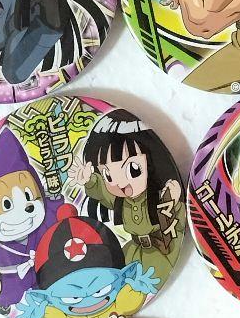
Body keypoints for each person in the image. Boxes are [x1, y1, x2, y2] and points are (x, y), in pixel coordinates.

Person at [70, 109, 182, 281]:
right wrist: (90, 180)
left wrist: (173, 199)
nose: (120, 184)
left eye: (133, 169)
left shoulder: (158, 195)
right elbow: (103, 193)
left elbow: (175, 217)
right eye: (108, 175)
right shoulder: (121, 201)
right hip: (134, 252)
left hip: (163, 251)